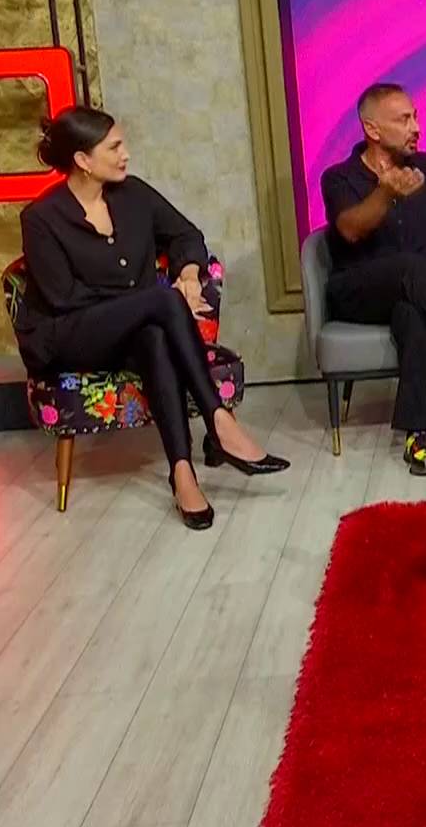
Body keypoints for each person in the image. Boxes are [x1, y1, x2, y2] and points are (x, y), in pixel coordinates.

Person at [16, 106, 289, 531]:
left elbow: (186, 234)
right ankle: (219, 419)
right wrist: (146, 301)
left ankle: (182, 474)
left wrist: (188, 274)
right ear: (83, 160)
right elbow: (64, 298)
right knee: (161, 303)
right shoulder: (41, 218)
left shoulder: (133, 195)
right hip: (69, 336)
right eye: (114, 147)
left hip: (133, 331)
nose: (125, 154)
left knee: (155, 338)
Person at [322, 82, 426, 475]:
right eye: (404, 120)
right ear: (373, 129)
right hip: (360, 291)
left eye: (415, 117)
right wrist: (386, 193)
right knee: (413, 267)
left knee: (414, 314)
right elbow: (350, 229)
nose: (416, 127)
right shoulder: (339, 177)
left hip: (419, 294)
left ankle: (417, 435)